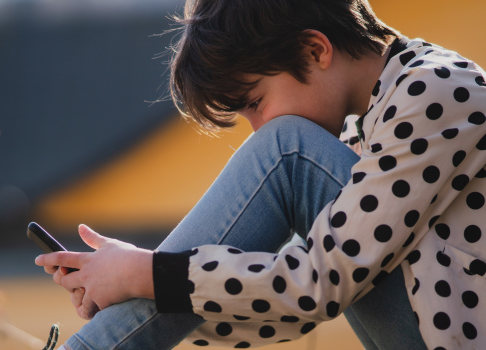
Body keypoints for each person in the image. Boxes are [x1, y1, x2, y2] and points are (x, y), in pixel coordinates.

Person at [35, 0, 486, 349]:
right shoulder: (363, 121)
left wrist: (147, 274)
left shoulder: (436, 88)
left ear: (316, 50)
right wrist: (139, 283)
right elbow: (285, 310)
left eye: (254, 102)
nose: (257, 129)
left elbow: (316, 285)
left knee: (285, 148)